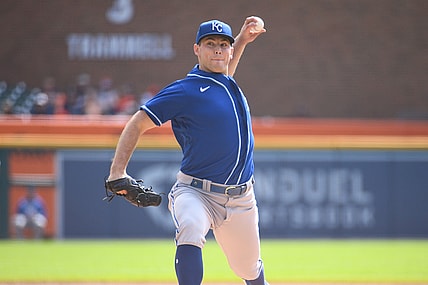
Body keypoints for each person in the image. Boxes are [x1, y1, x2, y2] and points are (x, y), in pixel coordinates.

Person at [107, 17, 267, 284]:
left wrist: (241, 40)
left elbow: (224, 67)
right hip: (196, 192)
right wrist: (117, 172)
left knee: (249, 269)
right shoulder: (185, 90)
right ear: (196, 49)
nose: (218, 49)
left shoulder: (225, 81)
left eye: (223, 45)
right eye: (210, 44)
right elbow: (137, 122)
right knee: (191, 228)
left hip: (241, 199)